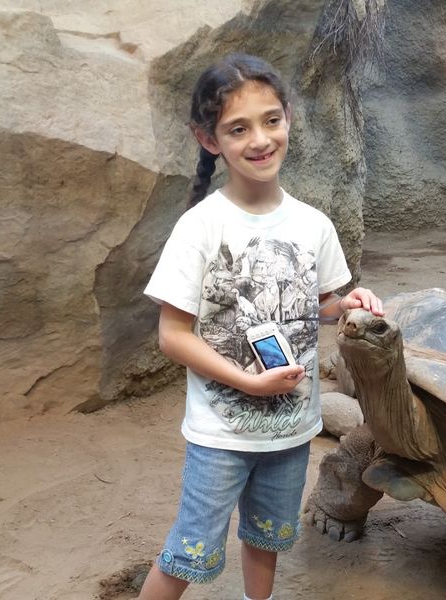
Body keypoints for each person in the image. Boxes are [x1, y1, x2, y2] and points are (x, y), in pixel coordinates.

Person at [137, 53, 384, 600]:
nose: (260, 140)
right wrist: (246, 383)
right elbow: (172, 334)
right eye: (238, 128)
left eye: (271, 120)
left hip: (293, 429)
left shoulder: (313, 225)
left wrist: (347, 304)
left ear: (288, 118)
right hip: (220, 434)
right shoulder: (200, 227)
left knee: (267, 538)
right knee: (191, 550)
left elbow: (313, 306)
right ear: (209, 140)